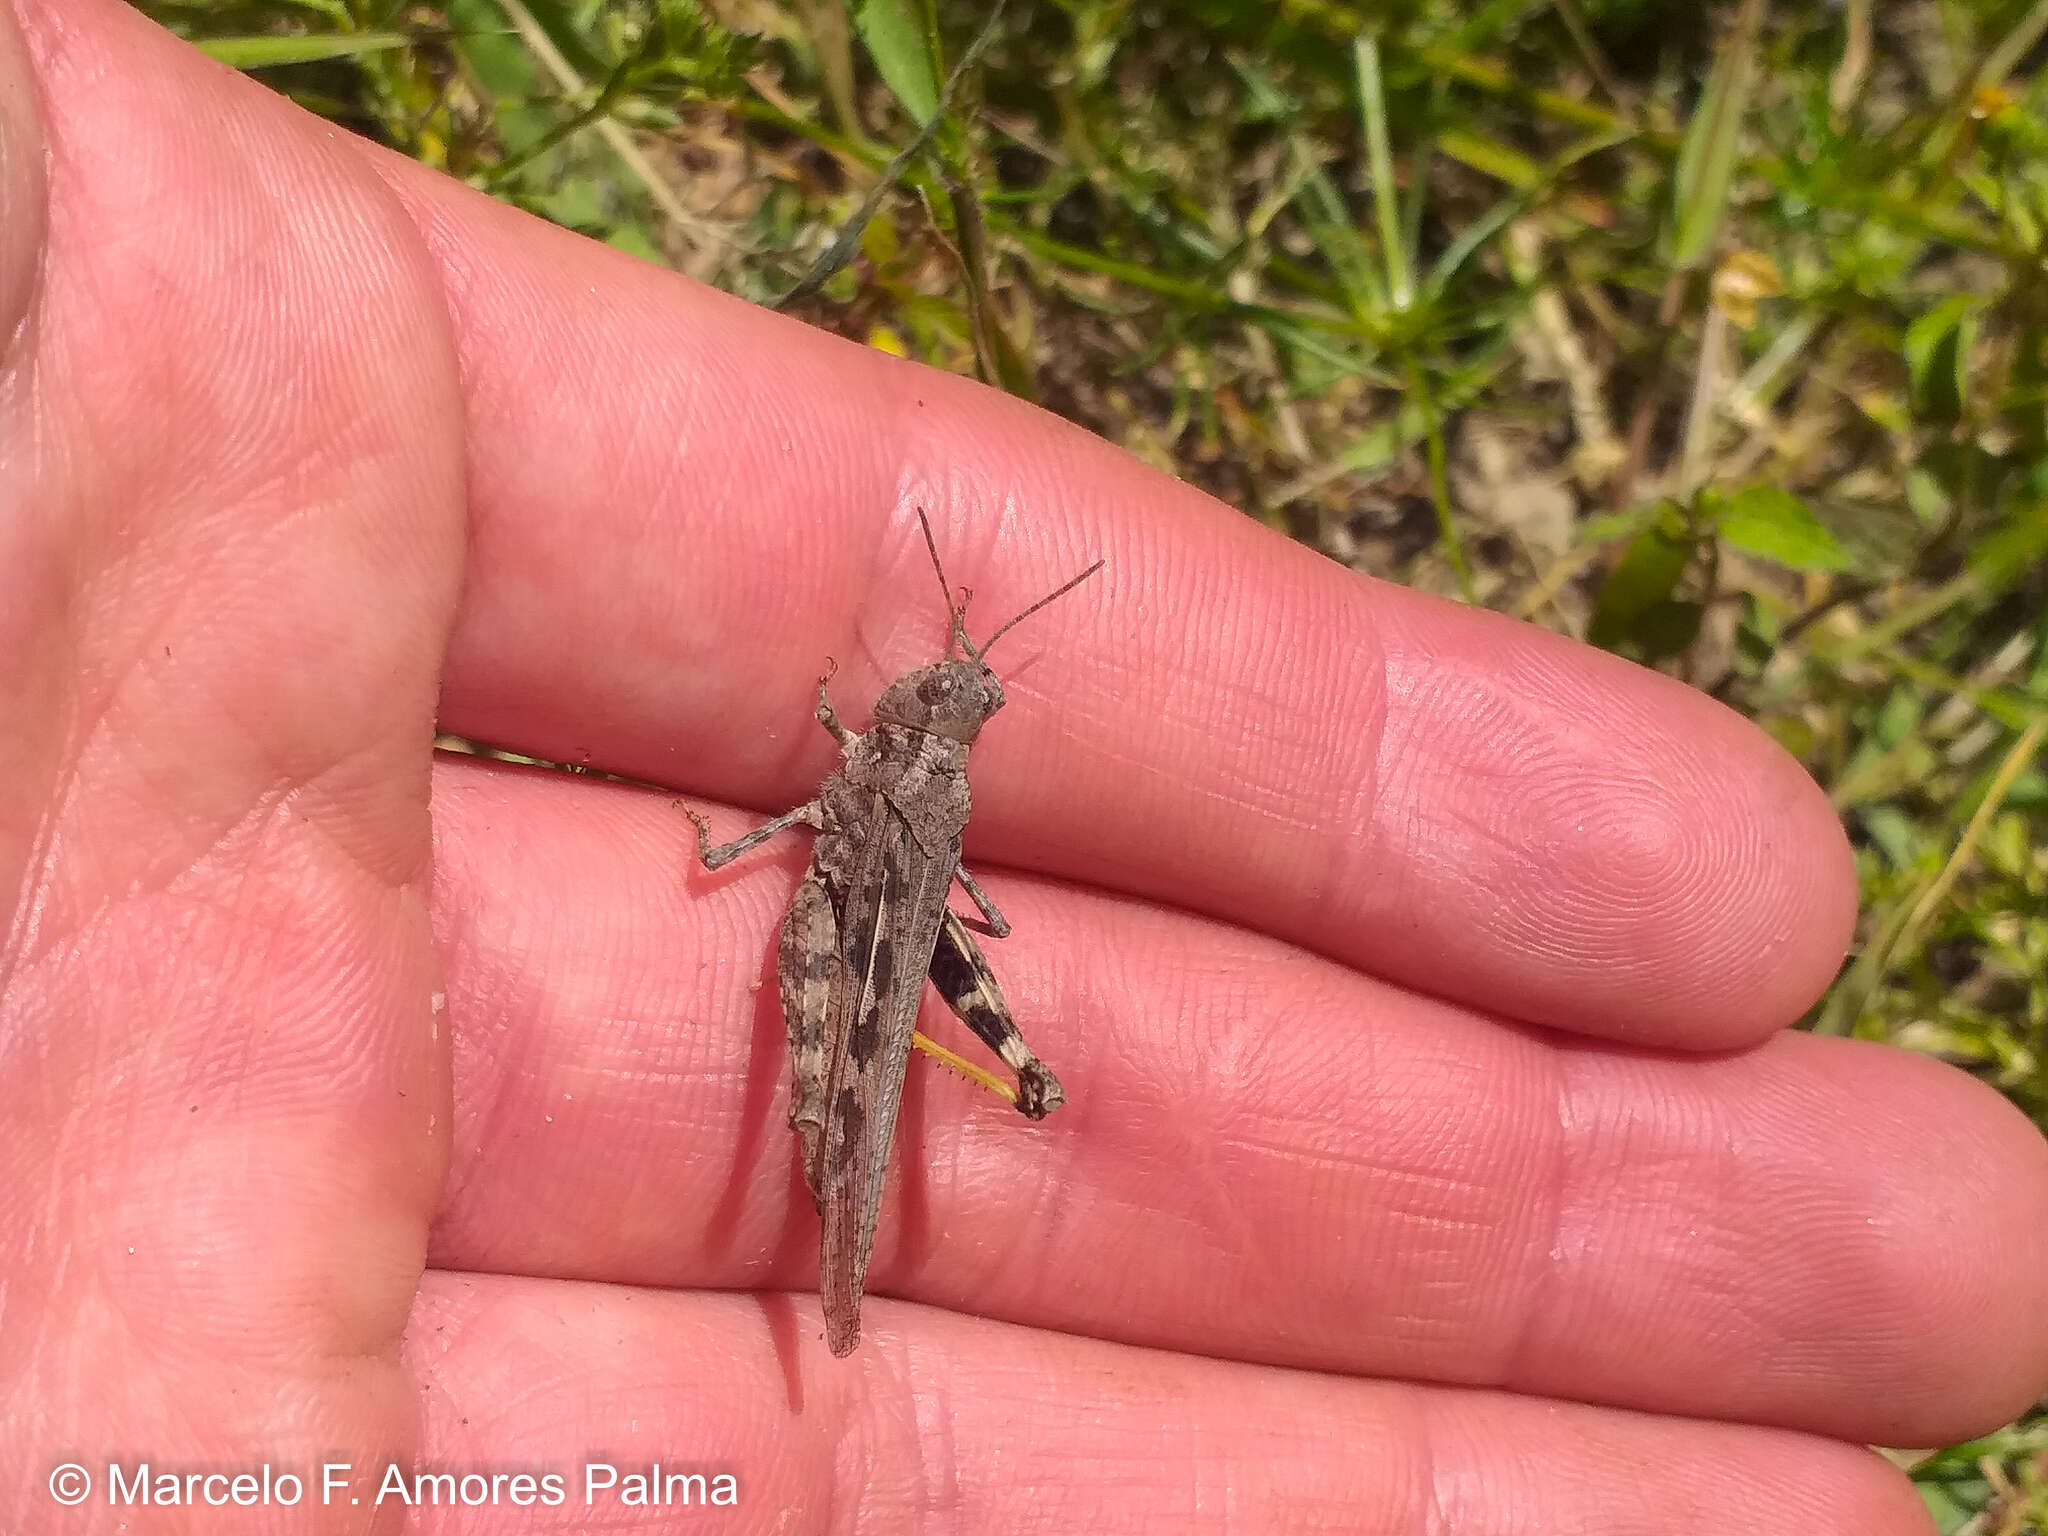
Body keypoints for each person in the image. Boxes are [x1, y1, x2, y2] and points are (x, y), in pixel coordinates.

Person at [2, 1, 2042, 1529]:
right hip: (846, 911)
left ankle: (869, 1210)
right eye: (950, 699)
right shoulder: (894, 746)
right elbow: (851, 813)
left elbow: (862, 850)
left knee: (876, 1005)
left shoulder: (902, 768)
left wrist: (805, 859)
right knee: (852, 1015)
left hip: (857, 928)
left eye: (963, 709)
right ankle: (853, 1212)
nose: (949, 707)